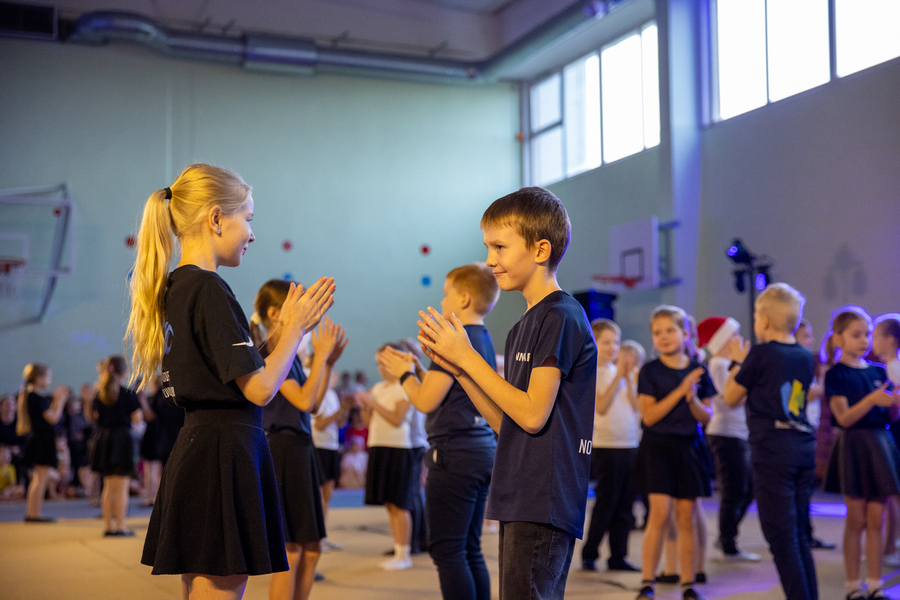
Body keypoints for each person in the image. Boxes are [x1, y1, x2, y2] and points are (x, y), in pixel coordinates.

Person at [129, 163, 335, 600]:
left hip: (198, 444)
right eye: (249, 219)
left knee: (201, 583)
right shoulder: (210, 289)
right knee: (220, 585)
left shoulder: (178, 286)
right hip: (223, 450)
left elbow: (225, 368)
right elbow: (259, 389)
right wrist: (296, 333)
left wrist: (281, 333)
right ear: (217, 218)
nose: (252, 234)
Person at [415, 187, 597, 600]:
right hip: (520, 492)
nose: (490, 259)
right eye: (487, 248)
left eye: (499, 247)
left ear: (540, 250)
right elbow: (506, 423)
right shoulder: (522, 326)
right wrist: (460, 370)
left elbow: (533, 415)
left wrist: (468, 355)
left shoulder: (561, 315)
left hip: (544, 495)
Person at [379, 262, 500, 600]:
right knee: (469, 548)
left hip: (454, 454)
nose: (442, 300)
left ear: (464, 299)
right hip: (481, 449)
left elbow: (425, 400)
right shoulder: (482, 337)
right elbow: (451, 389)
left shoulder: (455, 341)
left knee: (448, 551)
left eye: (446, 294)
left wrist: (404, 374)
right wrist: (419, 369)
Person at [251, 279, 348, 600]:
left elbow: (315, 405)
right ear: (274, 313)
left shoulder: (289, 353)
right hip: (283, 451)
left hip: (301, 449)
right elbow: (305, 401)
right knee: (290, 549)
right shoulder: (272, 351)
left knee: (312, 547)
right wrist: (320, 357)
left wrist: (327, 362)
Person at [723, 283, 818, 600]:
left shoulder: (760, 354)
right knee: (798, 534)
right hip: (803, 447)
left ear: (763, 320)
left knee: (780, 536)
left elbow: (731, 397)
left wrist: (738, 362)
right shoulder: (804, 355)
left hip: (773, 452)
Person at [633, 306, 715, 600]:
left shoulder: (699, 371)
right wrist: (680, 391)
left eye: (670, 330)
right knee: (659, 514)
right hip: (657, 447)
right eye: (658, 332)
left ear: (685, 334)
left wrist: (692, 400)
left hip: (689, 447)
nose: (664, 337)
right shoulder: (650, 371)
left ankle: (688, 583)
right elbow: (649, 416)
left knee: (686, 516)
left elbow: (706, 417)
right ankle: (647, 582)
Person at [821, 306, 900, 600]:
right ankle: (853, 585)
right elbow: (844, 418)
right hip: (854, 445)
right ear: (838, 339)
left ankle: (876, 584)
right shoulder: (836, 374)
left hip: (880, 444)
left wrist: (894, 404)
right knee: (856, 519)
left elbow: (890, 417)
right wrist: (872, 399)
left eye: (867, 334)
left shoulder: (878, 371)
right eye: (856, 335)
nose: (864, 340)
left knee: (877, 518)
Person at [581, 320, 643, 573]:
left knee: (626, 505)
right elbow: (601, 406)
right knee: (606, 502)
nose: (613, 347)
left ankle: (618, 556)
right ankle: (590, 553)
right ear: (594, 343)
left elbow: (637, 407)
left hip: (630, 443)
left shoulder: (621, 373)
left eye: (616, 342)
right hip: (607, 445)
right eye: (606, 342)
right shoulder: (591, 371)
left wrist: (627, 377)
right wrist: (618, 376)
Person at [697, 316, 760, 562]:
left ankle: (727, 536)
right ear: (722, 339)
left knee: (746, 489)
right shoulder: (719, 364)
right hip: (725, 433)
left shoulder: (725, 364)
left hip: (738, 433)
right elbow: (732, 398)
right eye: (733, 334)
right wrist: (743, 370)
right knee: (735, 490)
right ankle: (727, 542)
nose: (739, 339)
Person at [358, 343, 419, 571]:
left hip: (398, 448)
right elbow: (369, 422)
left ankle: (405, 554)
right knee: (389, 503)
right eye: (378, 364)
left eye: (385, 363)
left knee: (400, 503)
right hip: (378, 446)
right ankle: (398, 549)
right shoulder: (378, 387)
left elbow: (397, 419)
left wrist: (372, 402)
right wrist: (364, 406)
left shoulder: (405, 386)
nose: (381, 368)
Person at [794, 319, 837, 551]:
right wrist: (822, 380)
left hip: (808, 429)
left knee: (805, 489)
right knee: (802, 489)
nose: (811, 341)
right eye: (806, 336)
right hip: (800, 431)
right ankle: (802, 535)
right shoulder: (796, 364)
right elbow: (800, 398)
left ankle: (805, 533)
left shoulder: (806, 362)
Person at [90, 355, 142, 536]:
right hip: (121, 440)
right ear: (124, 373)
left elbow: (94, 417)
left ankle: (108, 526)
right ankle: (120, 526)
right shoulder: (127, 393)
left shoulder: (99, 394)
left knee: (108, 486)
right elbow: (138, 418)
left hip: (104, 441)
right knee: (121, 487)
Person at [17, 363, 66, 522]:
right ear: (38, 378)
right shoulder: (36, 397)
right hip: (42, 442)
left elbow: (49, 415)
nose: (49, 381)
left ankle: (32, 512)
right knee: (41, 479)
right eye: (47, 377)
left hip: (38, 440)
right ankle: (34, 514)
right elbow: (53, 418)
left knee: (38, 478)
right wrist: (60, 400)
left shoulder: (31, 395)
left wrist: (56, 401)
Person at [312, 369, 352, 552]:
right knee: (319, 496)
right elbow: (319, 424)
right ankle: (316, 538)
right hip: (318, 446)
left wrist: (345, 409)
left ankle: (323, 537)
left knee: (328, 495)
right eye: (332, 374)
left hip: (331, 446)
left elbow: (340, 423)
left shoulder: (333, 395)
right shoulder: (317, 393)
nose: (335, 377)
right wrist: (338, 412)